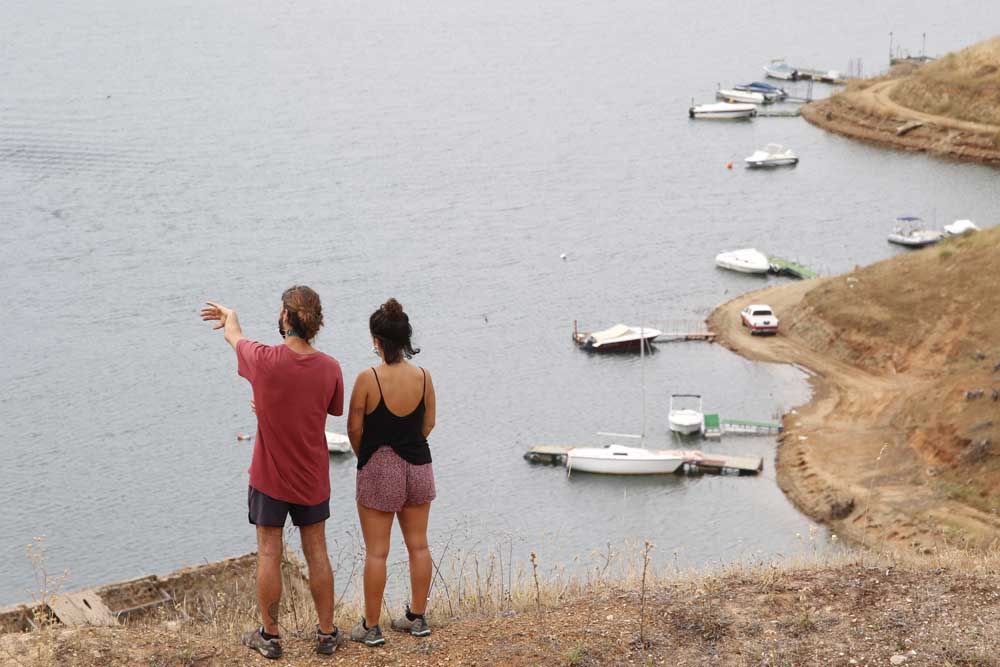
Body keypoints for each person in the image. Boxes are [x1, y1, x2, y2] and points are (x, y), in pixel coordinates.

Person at [200, 286, 345, 659]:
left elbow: (235, 336)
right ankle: (327, 634)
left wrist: (230, 317)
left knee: (268, 551)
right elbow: (328, 409)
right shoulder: (330, 367)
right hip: (312, 476)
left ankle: (270, 635)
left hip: (269, 476)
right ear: (316, 321)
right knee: (317, 552)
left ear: (285, 317)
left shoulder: (265, 360)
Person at [347, 298, 436, 647]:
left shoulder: (368, 379)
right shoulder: (425, 377)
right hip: (419, 465)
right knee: (419, 545)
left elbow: (354, 428)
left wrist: (367, 456)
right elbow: (428, 423)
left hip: (380, 466)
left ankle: (371, 626)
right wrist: (408, 443)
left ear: (377, 341)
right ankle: (417, 617)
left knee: (377, 552)